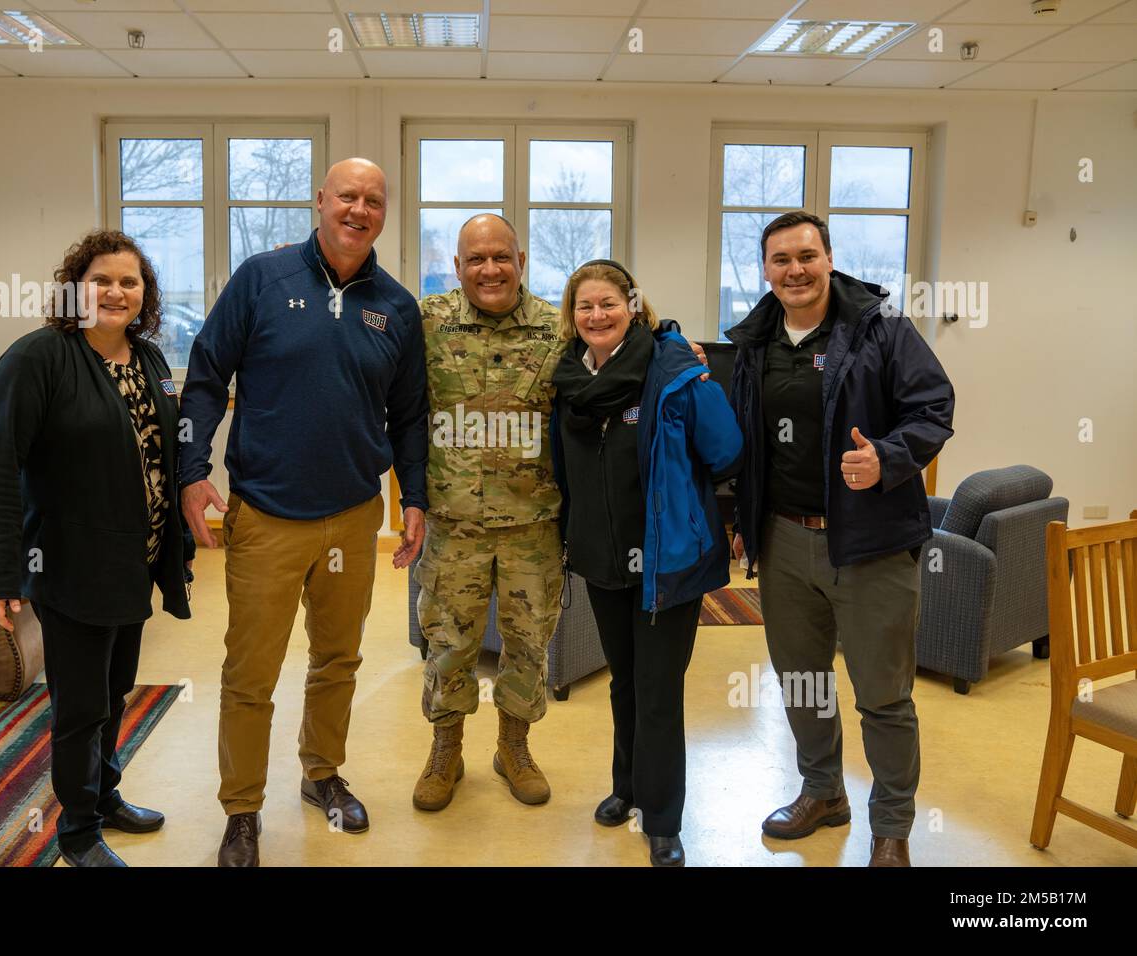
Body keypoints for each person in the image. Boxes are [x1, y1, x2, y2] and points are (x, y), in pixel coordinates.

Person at [178, 158, 429, 868]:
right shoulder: (263, 278)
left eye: (373, 200)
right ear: (320, 201)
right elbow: (204, 377)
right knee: (250, 672)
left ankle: (322, 774)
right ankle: (242, 811)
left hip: (353, 517)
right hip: (266, 515)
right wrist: (192, 474)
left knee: (338, 659)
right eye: (346, 196)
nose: (358, 209)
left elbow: (411, 417)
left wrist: (415, 498)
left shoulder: (397, 307)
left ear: (385, 212)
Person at [726, 211, 955, 867]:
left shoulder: (881, 331)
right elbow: (747, 440)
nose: (794, 270)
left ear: (828, 258)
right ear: (765, 269)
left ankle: (891, 829)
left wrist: (888, 456)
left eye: (806, 255)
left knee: (883, 697)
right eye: (780, 259)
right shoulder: (755, 342)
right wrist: (742, 518)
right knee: (802, 682)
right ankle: (823, 792)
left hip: (871, 542)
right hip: (783, 540)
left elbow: (933, 406)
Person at [0, 229, 195, 868]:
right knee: (79, 706)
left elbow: (161, 461)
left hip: (134, 561)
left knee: (115, 691)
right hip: (70, 565)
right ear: (76, 287)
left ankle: (104, 797)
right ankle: (75, 832)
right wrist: (1, 572)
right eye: (102, 279)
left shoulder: (149, 359)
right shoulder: (37, 358)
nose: (117, 291)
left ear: (145, 294)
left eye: (130, 281)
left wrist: (176, 552)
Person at [551, 260, 742, 867]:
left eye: (608, 303)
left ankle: (662, 818)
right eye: (585, 306)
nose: (597, 315)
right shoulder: (569, 380)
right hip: (602, 559)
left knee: (659, 691)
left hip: (668, 561)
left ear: (633, 304)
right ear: (571, 316)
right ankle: (627, 787)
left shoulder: (675, 370)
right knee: (625, 682)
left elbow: (726, 448)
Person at [413, 214, 565, 811]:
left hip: (535, 526)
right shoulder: (428, 323)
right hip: (456, 526)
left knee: (529, 643)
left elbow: (622, 352)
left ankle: (514, 748)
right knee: (449, 643)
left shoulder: (559, 328)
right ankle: (446, 750)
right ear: (457, 267)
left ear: (520, 261)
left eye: (501, 257)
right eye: (475, 259)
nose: (490, 269)